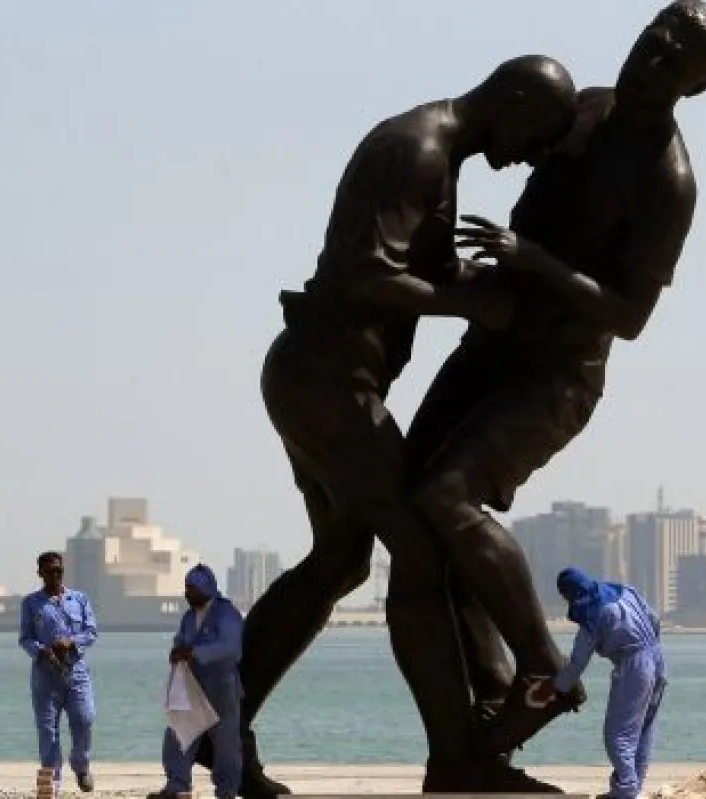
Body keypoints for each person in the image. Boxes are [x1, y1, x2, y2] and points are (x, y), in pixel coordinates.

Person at [194, 55, 579, 796]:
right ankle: (457, 761)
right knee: (421, 545)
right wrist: (471, 303)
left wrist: (515, 281)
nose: (531, 155)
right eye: (538, 135)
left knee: (341, 559)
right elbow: (366, 271)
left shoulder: (440, 156)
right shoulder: (416, 148)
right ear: (515, 99)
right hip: (327, 385)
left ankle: (221, 729)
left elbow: (419, 269)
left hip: (325, 381)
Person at [403, 0, 706, 757]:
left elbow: (630, 314)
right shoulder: (584, 107)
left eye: (674, 61)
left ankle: (543, 668)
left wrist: (534, 260)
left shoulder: (667, 181)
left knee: (444, 496)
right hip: (490, 345)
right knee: (415, 515)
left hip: (556, 376)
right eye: (652, 41)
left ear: (696, 87)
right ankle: (486, 722)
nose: (651, 61)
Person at [535, 567, 667, 799]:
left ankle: (626, 790)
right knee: (644, 729)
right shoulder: (625, 591)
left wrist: (554, 687)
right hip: (657, 658)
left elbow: (577, 662)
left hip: (634, 666)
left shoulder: (592, 614)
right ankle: (633, 787)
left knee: (617, 735)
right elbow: (654, 620)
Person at [150, 564, 244, 799]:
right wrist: (177, 650)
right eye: (186, 588)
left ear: (206, 588)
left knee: (226, 745)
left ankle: (227, 791)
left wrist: (195, 652)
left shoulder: (226, 614)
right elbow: (181, 639)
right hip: (191, 688)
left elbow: (230, 648)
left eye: (192, 589)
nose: (187, 593)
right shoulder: (189, 617)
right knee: (178, 735)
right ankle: (177, 784)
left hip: (222, 691)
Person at [18, 551, 99, 793]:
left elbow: (91, 632)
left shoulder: (79, 599)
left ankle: (81, 765)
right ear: (40, 573)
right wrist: (42, 651)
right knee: (48, 730)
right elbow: (25, 638)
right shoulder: (31, 603)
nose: (55, 575)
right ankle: (52, 781)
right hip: (46, 675)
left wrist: (71, 642)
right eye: (50, 571)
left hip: (76, 672)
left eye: (59, 570)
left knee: (84, 718)